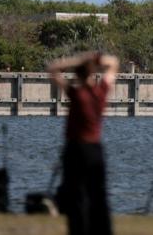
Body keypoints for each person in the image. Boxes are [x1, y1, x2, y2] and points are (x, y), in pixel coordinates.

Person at [47, 51, 118, 235]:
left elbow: (52, 68)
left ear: (77, 75)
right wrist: (93, 58)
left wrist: (78, 59)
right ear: (93, 74)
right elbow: (114, 63)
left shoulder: (77, 94)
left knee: (76, 194)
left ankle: (78, 229)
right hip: (95, 149)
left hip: (76, 148)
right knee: (99, 195)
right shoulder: (100, 92)